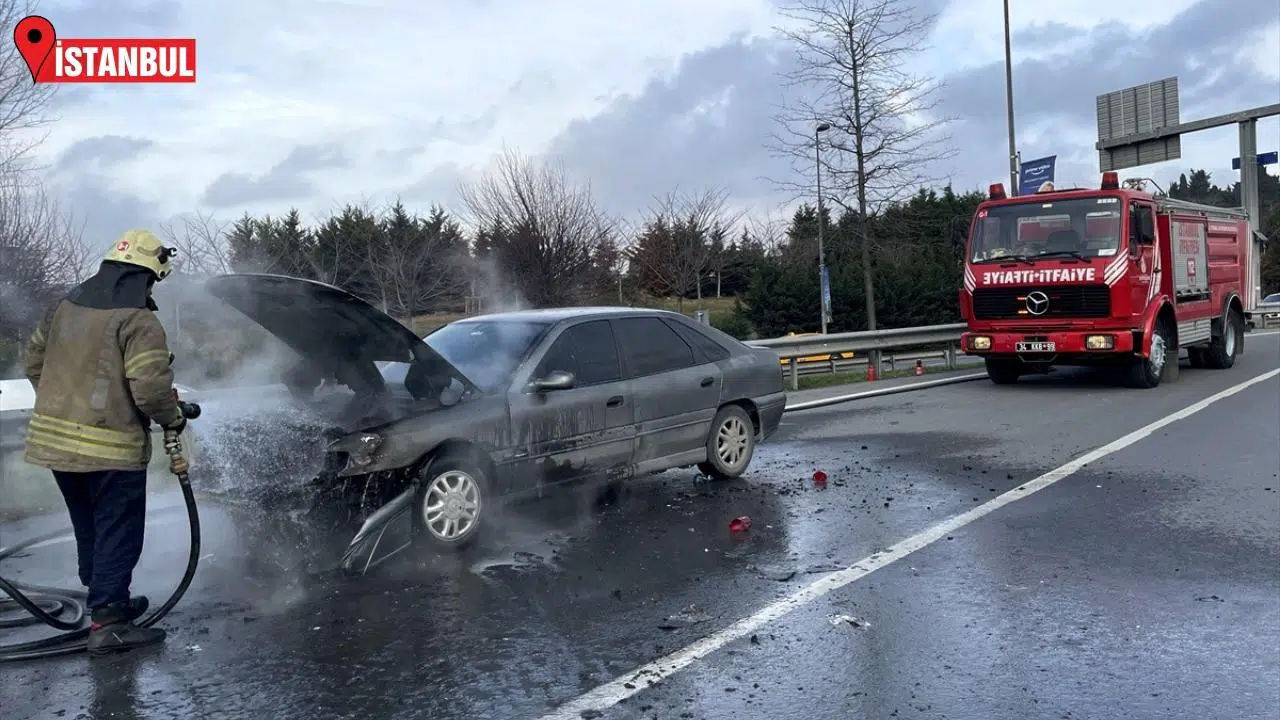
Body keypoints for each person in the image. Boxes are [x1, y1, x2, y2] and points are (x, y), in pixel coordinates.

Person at [23, 229, 190, 656]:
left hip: (57, 446)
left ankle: (104, 595)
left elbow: (34, 364)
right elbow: (151, 390)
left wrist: (67, 407)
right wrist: (172, 418)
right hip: (111, 449)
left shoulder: (64, 308)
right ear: (146, 277)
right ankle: (109, 622)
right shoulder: (139, 320)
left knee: (89, 523)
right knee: (119, 528)